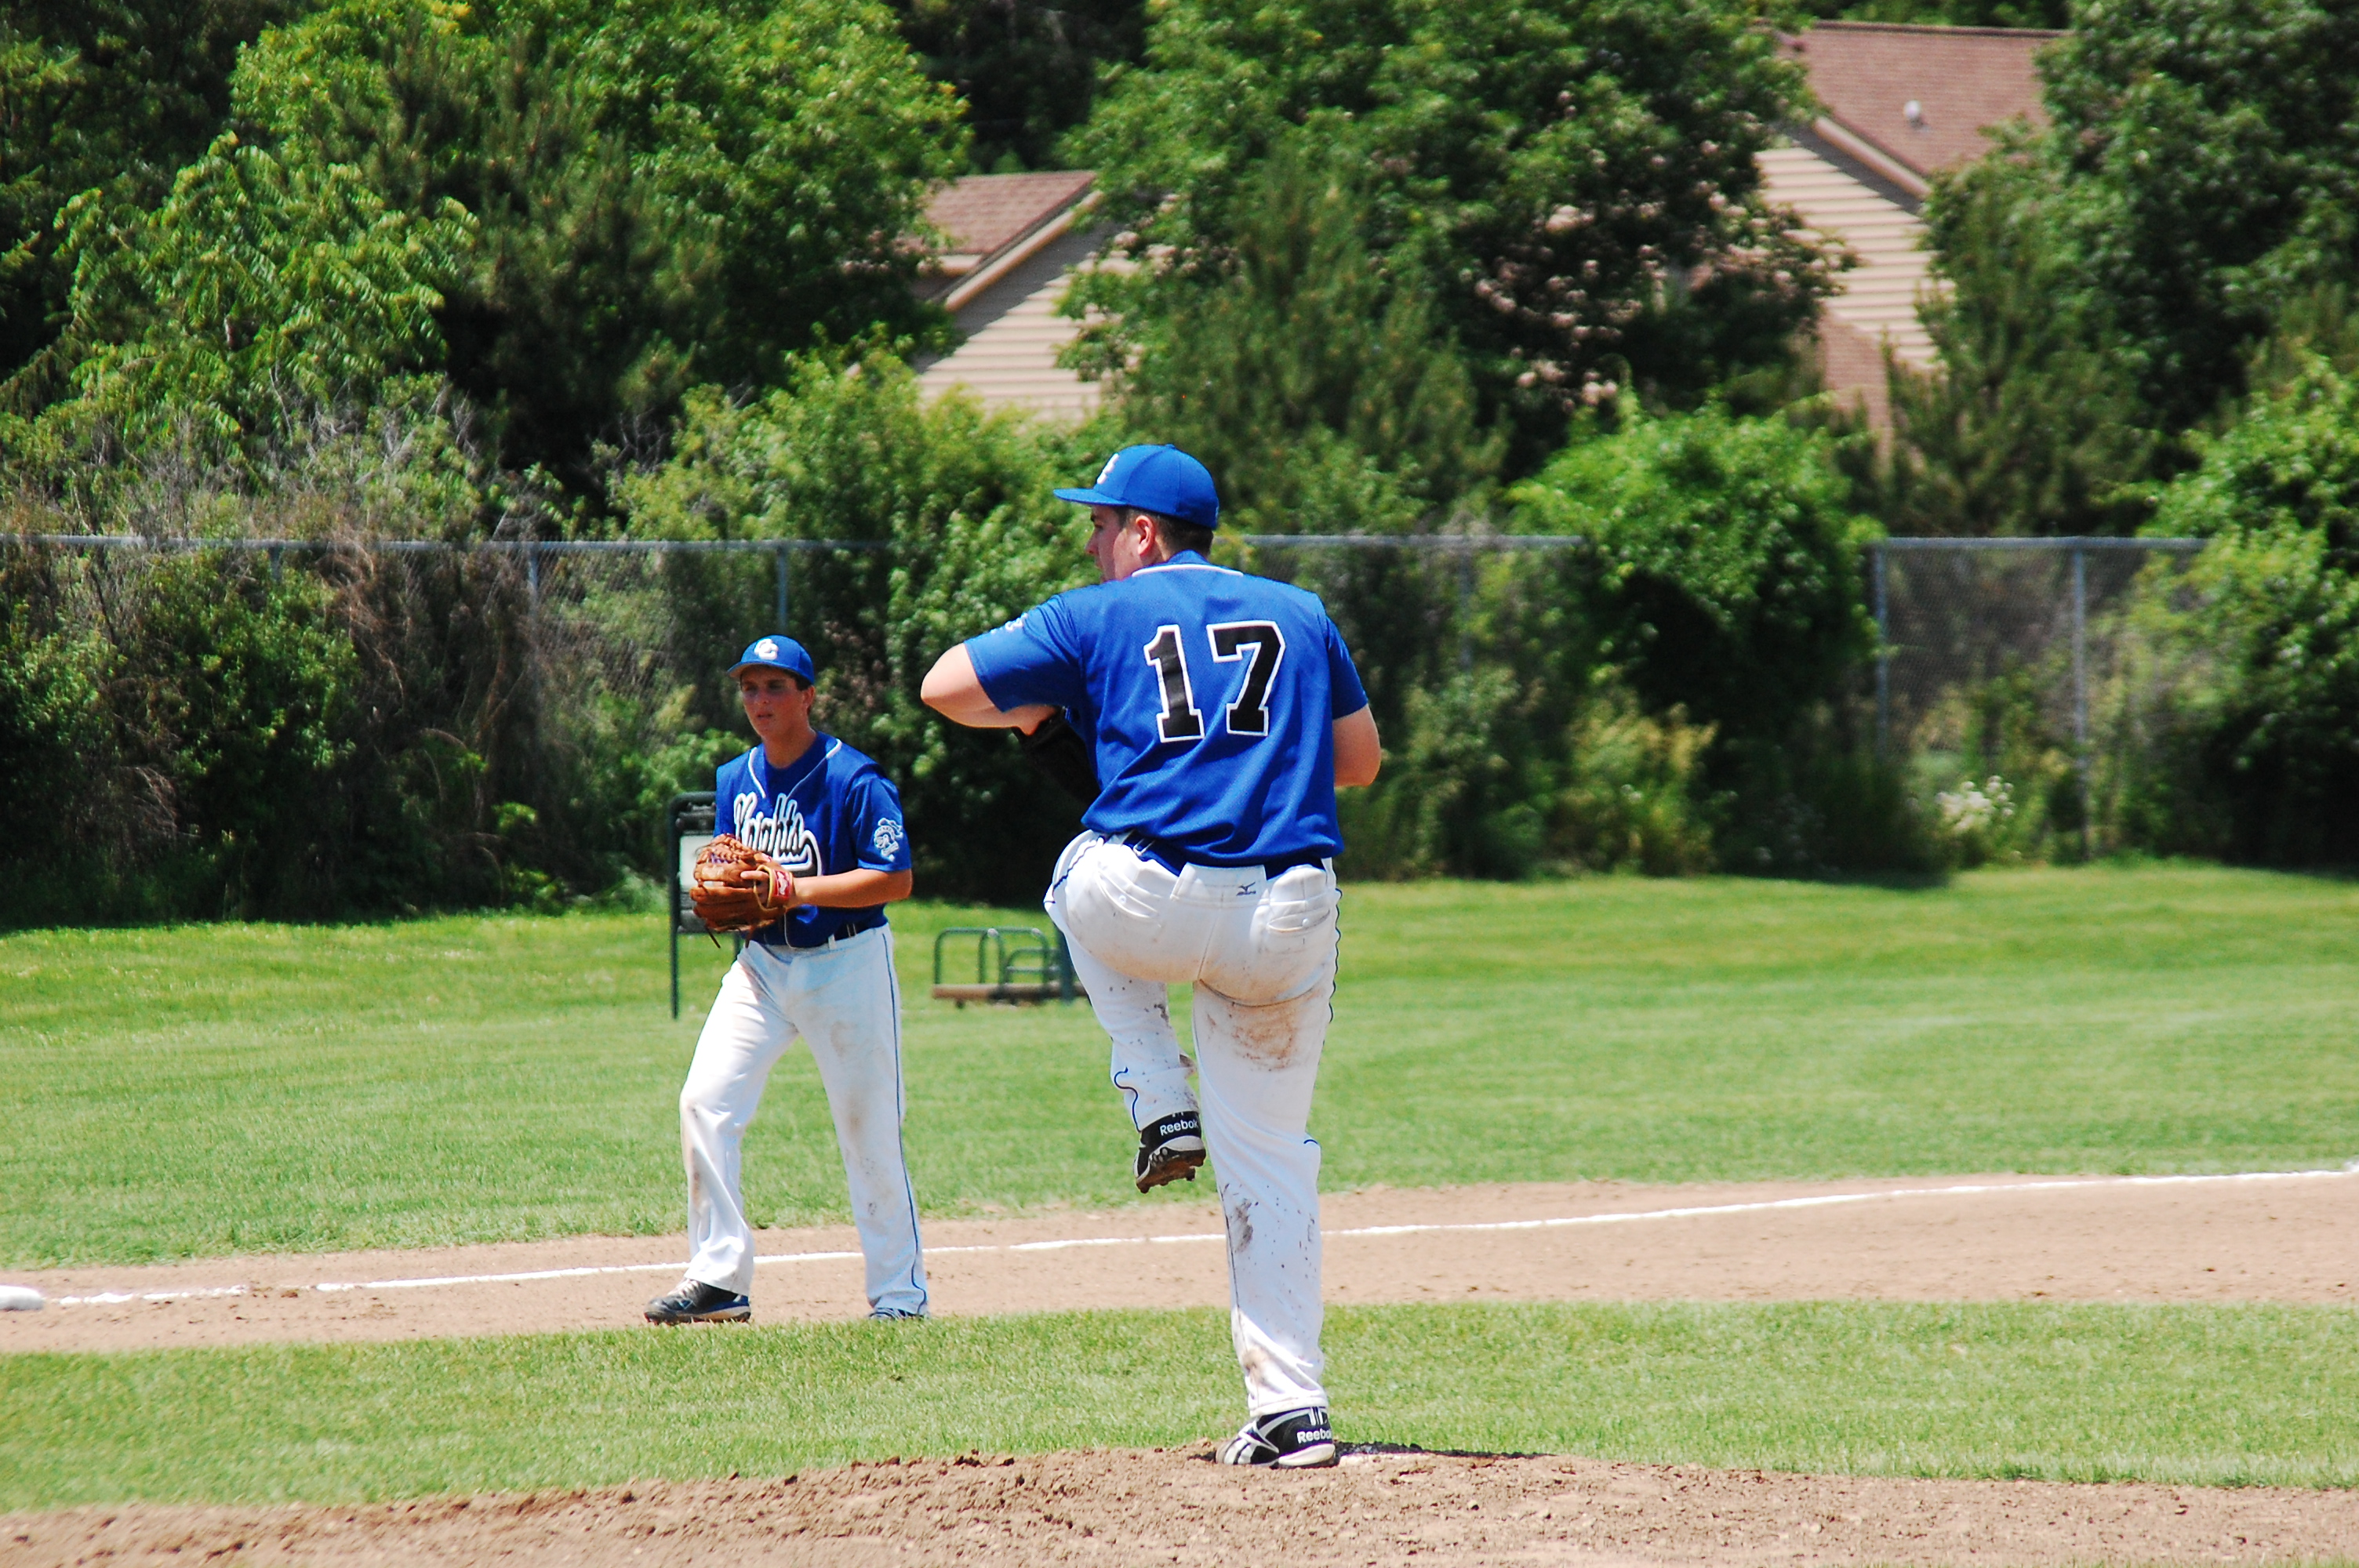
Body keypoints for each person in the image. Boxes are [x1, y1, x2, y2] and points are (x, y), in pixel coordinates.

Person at [921, 445, 1381, 1468]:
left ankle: (1157, 1094)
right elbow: (1358, 763)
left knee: (1073, 878)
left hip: (1152, 898)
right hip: (1290, 914)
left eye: (1100, 524)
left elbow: (943, 685)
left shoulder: (1100, 612)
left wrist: (1042, 714)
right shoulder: (1301, 612)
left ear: (1143, 533)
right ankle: (1293, 1412)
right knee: (1270, 1161)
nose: (1091, 543)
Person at [646, 636, 929, 1325]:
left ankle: (900, 1297)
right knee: (704, 1101)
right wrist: (728, 896)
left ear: (808, 697)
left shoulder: (854, 778)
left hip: (847, 963)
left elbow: (895, 877)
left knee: (868, 1129)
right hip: (762, 967)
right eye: (750, 688)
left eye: (775, 686)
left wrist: (796, 889)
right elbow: (726, 869)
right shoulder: (734, 779)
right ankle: (719, 1279)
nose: (760, 700)